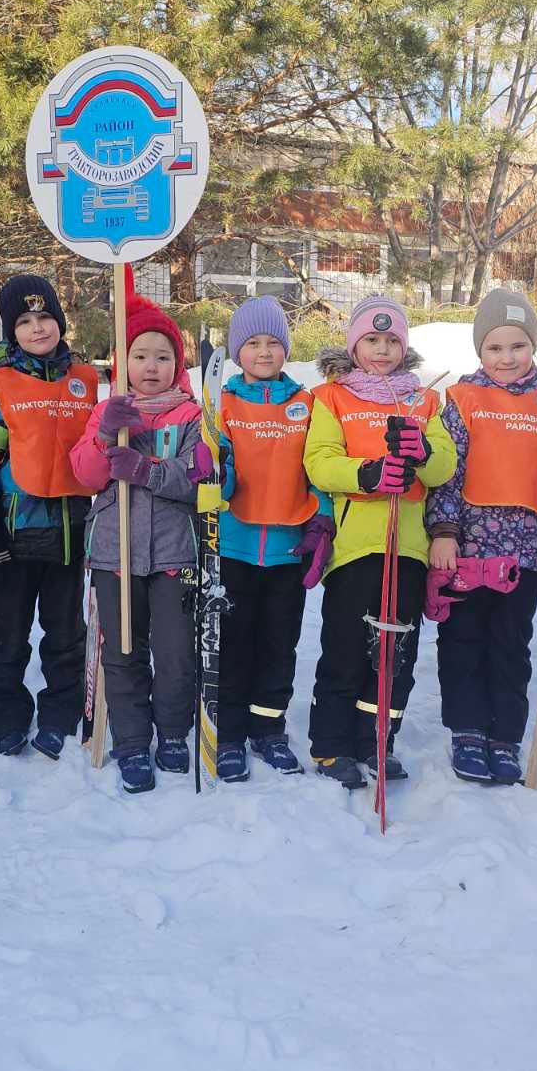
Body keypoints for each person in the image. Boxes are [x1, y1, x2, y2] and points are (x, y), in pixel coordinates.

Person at [425, 286, 537, 784]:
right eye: (494, 347)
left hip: (527, 549)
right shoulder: (462, 398)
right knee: (463, 638)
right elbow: (447, 472)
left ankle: (504, 734)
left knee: (511, 643)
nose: (506, 358)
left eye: (517, 346)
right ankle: (467, 729)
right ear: (480, 351)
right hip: (468, 545)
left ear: (533, 346)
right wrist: (442, 532)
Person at [303, 297, 457, 788]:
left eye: (392, 341)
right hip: (354, 547)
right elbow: (319, 461)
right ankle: (331, 745)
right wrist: (366, 473)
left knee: (395, 653)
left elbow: (444, 467)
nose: (382, 349)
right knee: (346, 647)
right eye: (372, 339)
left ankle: (376, 738)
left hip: (406, 546)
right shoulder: (332, 396)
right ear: (355, 344)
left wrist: (422, 450)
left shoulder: (424, 399)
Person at [70, 292, 206, 793]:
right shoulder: (107, 410)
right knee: (123, 649)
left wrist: (148, 470)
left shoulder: (191, 415)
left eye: (163, 356)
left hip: (174, 552)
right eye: (141, 355)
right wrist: (106, 438)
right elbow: (84, 475)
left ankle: (172, 733)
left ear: (178, 363)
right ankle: (130, 741)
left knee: (174, 653)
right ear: (123, 361)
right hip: (114, 552)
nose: (151, 366)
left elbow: (197, 478)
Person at [0, 275, 96, 759]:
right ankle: (6, 718)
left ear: (59, 322)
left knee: (65, 634)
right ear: (10, 330)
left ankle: (60, 714)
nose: (37, 328)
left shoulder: (86, 380)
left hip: (70, 528)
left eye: (45, 318)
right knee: (9, 634)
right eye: (24, 321)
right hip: (15, 533)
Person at [212, 296, 333, 781]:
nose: (263, 352)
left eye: (273, 343)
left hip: (287, 549)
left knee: (279, 645)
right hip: (233, 547)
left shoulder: (307, 404)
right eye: (252, 343)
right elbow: (213, 466)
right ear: (237, 351)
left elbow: (319, 469)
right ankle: (231, 733)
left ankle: (269, 730)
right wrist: (214, 474)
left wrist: (320, 521)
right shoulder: (221, 402)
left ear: (286, 349)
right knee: (235, 642)